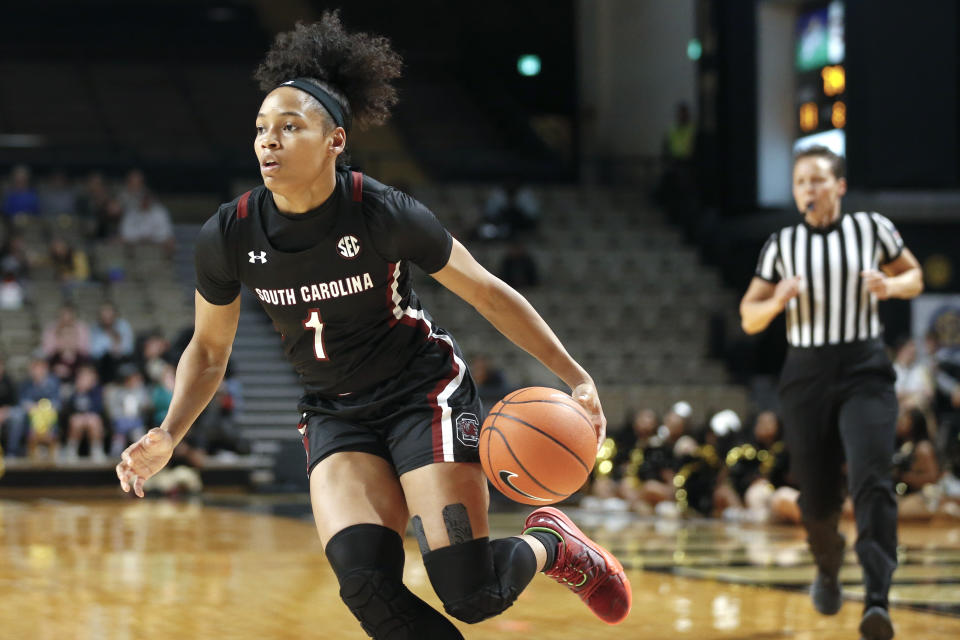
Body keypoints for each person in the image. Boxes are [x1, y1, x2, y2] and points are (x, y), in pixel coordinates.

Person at [115, 13, 631, 639]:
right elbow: (208, 348)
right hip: (334, 410)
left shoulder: (383, 212)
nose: (267, 141)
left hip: (422, 395)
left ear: (334, 139)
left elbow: (488, 294)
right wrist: (169, 433)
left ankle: (550, 542)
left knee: (471, 595)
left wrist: (575, 376)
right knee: (365, 586)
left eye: (289, 126)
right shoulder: (228, 234)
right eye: (260, 129)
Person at [740, 145, 924, 640]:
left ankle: (878, 596)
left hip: (865, 365)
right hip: (806, 373)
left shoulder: (873, 229)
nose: (809, 190)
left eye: (818, 180)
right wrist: (776, 300)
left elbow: (915, 276)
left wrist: (891, 285)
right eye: (801, 182)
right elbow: (748, 316)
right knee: (816, 494)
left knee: (872, 478)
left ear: (839, 186)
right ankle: (826, 561)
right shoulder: (781, 244)